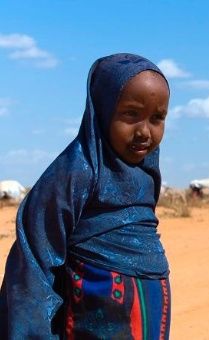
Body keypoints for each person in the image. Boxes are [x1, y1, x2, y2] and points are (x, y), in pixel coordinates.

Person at [0, 54, 171, 338]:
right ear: (102, 111)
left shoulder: (146, 173)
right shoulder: (77, 172)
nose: (144, 131)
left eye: (157, 118)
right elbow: (34, 263)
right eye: (130, 114)